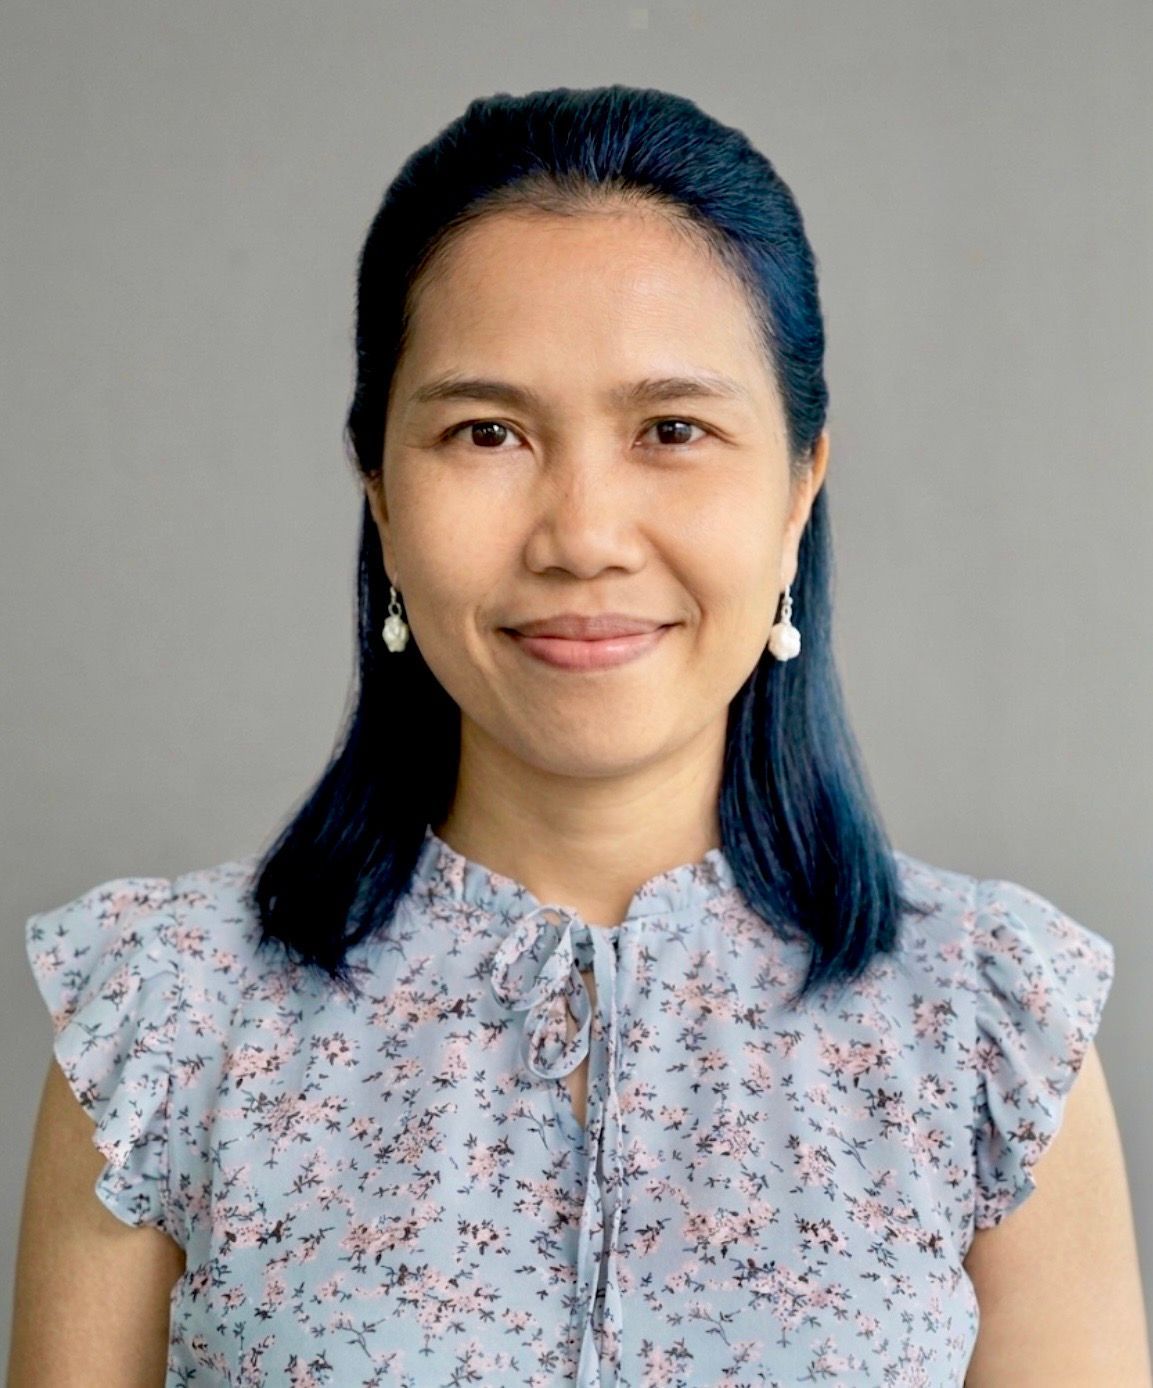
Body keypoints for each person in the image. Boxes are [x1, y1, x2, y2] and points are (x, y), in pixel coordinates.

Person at [12, 84, 1150, 1388]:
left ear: (797, 491)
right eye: (485, 432)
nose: (581, 535)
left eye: (672, 430)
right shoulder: (165, 1019)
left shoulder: (987, 1027)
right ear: (380, 493)